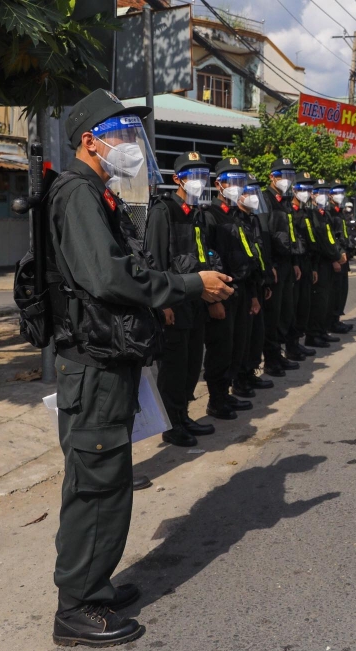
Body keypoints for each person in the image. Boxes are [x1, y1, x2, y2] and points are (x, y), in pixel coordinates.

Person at [46, 89, 234, 647]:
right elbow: (108, 278)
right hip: (93, 367)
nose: (132, 145)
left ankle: (95, 585)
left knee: (110, 479)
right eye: (121, 135)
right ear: (90, 142)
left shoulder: (96, 193)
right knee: (96, 484)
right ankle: (76, 607)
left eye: (133, 135)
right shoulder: (76, 194)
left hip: (110, 362)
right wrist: (189, 284)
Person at [144, 152, 218, 448]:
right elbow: (156, 260)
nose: (200, 181)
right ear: (178, 179)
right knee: (173, 369)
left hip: (196, 299)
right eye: (193, 175)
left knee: (190, 364)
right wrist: (164, 303)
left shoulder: (198, 212)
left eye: (204, 175)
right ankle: (171, 426)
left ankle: (183, 415)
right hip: (174, 301)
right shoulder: (165, 211)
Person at [203, 158, 260, 419]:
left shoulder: (238, 216)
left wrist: (253, 292)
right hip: (222, 291)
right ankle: (215, 400)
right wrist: (213, 300)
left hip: (241, 289)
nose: (237, 186)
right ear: (219, 184)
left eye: (240, 181)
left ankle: (226, 393)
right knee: (221, 348)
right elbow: (208, 258)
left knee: (238, 345)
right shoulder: (209, 216)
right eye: (232, 182)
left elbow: (247, 253)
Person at [234, 179, 275, 398]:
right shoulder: (235, 219)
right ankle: (240, 379)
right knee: (243, 336)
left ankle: (250, 372)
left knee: (256, 333)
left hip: (256, 283)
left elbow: (260, 253)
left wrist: (265, 279)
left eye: (254, 192)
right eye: (248, 192)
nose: (252, 196)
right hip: (244, 285)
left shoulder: (254, 220)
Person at [261, 158, 302, 377]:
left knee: (286, 311)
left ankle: (281, 354)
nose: (286, 180)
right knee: (273, 314)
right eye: (282, 175)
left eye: (289, 176)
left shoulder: (285, 201)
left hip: (287, 263)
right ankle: (271, 359)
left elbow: (291, 234)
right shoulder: (265, 199)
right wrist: (269, 267)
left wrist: (295, 262)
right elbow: (264, 236)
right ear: (272, 177)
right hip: (275, 264)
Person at [282, 172, 318, 361]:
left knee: (304, 304)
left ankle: (297, 342)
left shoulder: (306, 211)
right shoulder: (289, 210)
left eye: (309, 189)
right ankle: (290, 346)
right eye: (302, 188)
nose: (307, 192)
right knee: (293, 306)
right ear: (294, 189)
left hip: (305, 260)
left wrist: (311, 266)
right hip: (295, 261)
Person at [304, 179, 344, 348]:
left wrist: (336, 254)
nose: (324, 196)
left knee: (325, 299)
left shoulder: (324, 213)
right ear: (313, 194)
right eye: (320, 192)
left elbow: (330, 238)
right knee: (318, 300)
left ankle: (321, 331)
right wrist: (334, 257)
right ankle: (313, 335)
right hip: (319, 261)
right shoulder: (311, 213)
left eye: (326, 193)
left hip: (327, 260)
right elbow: (319, 241)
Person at [326, 181, 353, 335]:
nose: (340, 195)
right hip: (337, 255)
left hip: (344, 255)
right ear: (330, 195)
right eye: (336, 192)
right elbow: (331, 237)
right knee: (335, 292)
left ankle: (336, 320)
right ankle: (331, 322)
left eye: (342, 192)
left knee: (342, 290)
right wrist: (335, 257)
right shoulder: (329, 212)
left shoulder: (339, 211)